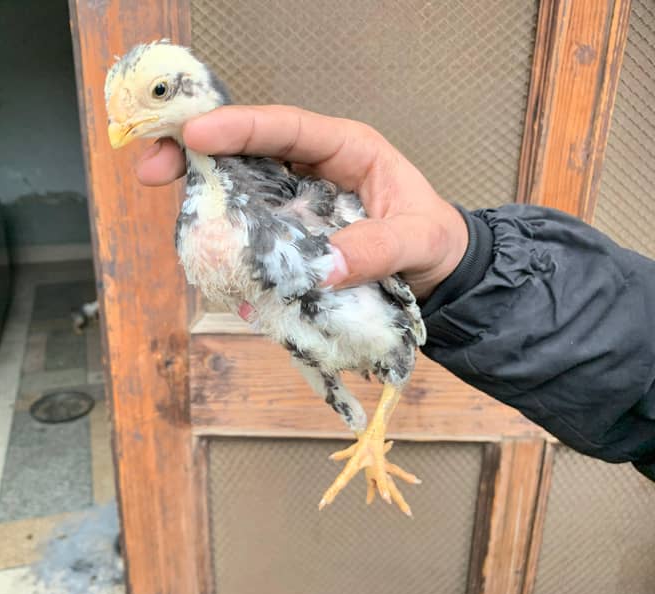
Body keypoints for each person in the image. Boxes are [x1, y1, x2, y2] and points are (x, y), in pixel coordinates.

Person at [132, 105, 655, 481]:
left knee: (379, 351)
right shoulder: (217, 209)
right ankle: (369, 428)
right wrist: (468, 267)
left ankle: (372, 430)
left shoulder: (315, 211)